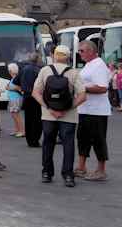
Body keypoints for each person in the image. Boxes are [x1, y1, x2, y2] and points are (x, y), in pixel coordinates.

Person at [32, 45, 86, 187]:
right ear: (68, 57)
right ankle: (68, 175)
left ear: (54, 55)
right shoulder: (74, 72)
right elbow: (82, 96)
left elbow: (35, 93)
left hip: (48, 115)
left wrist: (49, 108)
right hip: (68, 116)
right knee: (68, 144)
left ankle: (46, 173)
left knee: (47, 143)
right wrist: (68, 108)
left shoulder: (45, 70)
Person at [75, 41, 112, 182]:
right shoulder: (89, 65)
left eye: (82, 51)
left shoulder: (99, 65)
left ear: (91, 51)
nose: (79, 53)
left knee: (98, 140)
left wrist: (82, 88)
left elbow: (102, 88)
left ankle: (101, 171)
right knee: (82, 139)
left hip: (97, 111)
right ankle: (81, 167)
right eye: (79, 50)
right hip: (85, 108)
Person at [20, 54, 43, 147]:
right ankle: (35, 140)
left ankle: (29, 140)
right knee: (37, 119)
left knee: (28, 119)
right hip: (36, 97)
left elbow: (16, 81)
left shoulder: (23, 69)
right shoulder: (38, 70)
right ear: (37, 60)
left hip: (26, 96)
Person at [6, 63, 25, 138]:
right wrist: (8, 87)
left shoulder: (16, 78)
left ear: (11, 70)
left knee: (16, 115)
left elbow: (20, 89)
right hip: (13, 98)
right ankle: (17, 130)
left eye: (9, 70)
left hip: (16, 98)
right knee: (14, 115)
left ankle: (22, 131)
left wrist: (10, 88)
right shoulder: (14, 78)